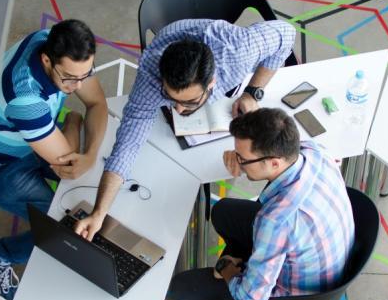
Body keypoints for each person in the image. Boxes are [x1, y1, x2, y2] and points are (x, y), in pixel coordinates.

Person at [73, 18, 296, 241]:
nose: (178, 110)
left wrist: (253, 91)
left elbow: (286, 33)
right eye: (170, 98)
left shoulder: (238, 52)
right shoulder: (151, 75)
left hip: (222, 45)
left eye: (189, 102)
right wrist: (99, 213)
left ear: (211, 83)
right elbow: (127, 144)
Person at [168, 108, 355, 300]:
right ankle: (253, 262)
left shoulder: (276, 221)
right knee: (224, 211)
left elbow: (249, 299)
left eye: (243, 159)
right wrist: (240, 156)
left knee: (181, 289)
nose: (238, 162)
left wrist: (227, 269)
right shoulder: (314, 152)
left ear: (274, 162)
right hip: (325, 258)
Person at [0, 19, 108, 300]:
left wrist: (90, 155)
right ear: (47, 60)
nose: (78, 86)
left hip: (32, 140)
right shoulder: (26, 99)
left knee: (93, 180)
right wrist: (74, 122)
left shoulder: (58, 43)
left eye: (85, 75)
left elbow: (97, 103)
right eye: (69, 78)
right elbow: (68, 167)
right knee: (63, 227)